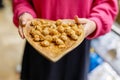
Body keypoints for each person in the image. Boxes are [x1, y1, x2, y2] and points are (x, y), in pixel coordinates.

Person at [12, 0, 118, 80]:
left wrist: (95, 22)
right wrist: (24, 11)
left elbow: (107, 4)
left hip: (77, 42)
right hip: (38, 41)